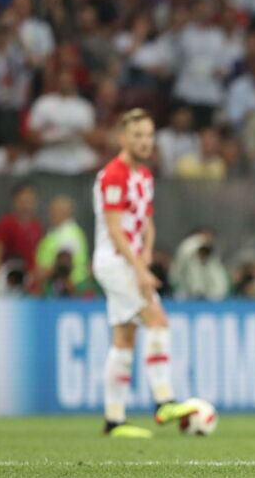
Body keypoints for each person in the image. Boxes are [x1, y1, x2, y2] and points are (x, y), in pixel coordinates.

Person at [93, 108, 197, 439]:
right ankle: (164, 400)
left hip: (129, 261)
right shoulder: (113, 174)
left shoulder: (145, 175)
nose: (144, 141)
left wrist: (147, 254)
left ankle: (113, 421)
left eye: (149, 135)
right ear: (122, 138)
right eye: (137, 135)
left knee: (124, 337)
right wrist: (139, 268)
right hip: (114, 261)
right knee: (158, 320)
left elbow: (146, 221)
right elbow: (114, 229)